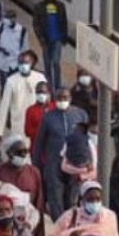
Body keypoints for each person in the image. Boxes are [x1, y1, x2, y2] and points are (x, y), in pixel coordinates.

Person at [34, 89, 88, 220]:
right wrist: (36, 165)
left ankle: (72, 223)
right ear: (54, 99)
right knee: (55, 196)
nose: (62, 100)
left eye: (65, 97)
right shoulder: (48, 117)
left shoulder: (80, 114)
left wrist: (88, 161)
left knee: (72, 196)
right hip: (54, 162)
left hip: (74, 162)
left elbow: (87, 139)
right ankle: (59, 223)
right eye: (59, 98)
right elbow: (39, 142)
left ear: (70, 98)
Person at [0, 50, 47, 147]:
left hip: (37, 124)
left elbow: (47, 100)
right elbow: (4, 107)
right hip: (18, 126)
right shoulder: (11, 81)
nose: (23, 65)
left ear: (32, 63)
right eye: (21, 62)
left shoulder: (40, 78)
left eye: (26, 63)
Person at [34, 0, 71, 92]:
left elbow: (64, 21)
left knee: (55, 62)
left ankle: (57, 85)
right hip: (45, 40)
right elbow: (36, 24)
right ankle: (49, 84)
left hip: (57, 39)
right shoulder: (38, 8)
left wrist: (65, 37)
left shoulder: (60, 6)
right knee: (47, 63)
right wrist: (40, 38)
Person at [0, 138, 44, 217]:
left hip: (28, 217)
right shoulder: (0, 171)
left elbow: (39, 201)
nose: (23, 155)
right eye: (19, 152)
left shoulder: (34, 172)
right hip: (6, 217)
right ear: (9, 154)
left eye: (25, 151)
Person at [0, 10, 29, 93]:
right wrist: (0, 49)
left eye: (9, 18)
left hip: (16, 63)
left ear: (14, 19)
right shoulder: (0, 28)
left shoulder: (22, 31)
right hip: (4, 62)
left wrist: (22, 59)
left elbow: (25, 48)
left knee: (16, 87)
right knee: (5, 86)